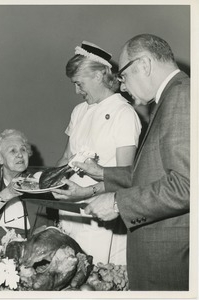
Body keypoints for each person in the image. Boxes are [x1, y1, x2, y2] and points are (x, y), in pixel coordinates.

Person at [72, 34, 190, 291]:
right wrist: (102, 173)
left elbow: (187, 185)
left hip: (169, 258)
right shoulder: (171, 96)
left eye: (124, 75)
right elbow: (154, 173)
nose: (122, 86)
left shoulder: (182, 96)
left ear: (144, 65)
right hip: (157, 253)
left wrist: (117, 202)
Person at [53, 41, 141, 264]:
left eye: (79, 84)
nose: (77, 91)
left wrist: (85, 193)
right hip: (71, 209)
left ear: (100, 76)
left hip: (100, 211)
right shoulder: (79, 111)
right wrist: (44, 182)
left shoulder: (124, 114)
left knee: (94, 278)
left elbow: (126, 176)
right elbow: (66, 158)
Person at [0, 129, 54, 244]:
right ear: (0, 158)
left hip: (25, 242)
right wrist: (10, 192)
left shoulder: (36, 181)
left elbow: (43, 223)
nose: (20, 155)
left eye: (23, 149)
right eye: (13, 151)